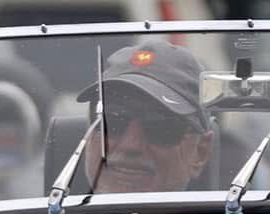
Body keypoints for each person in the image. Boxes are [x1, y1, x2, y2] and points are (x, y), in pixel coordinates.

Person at [74, 41, 215, 194]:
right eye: (113, 122)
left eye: (158, 127)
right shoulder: (57, 208)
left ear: (200, 151)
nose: (130, 145)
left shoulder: (230, 208)